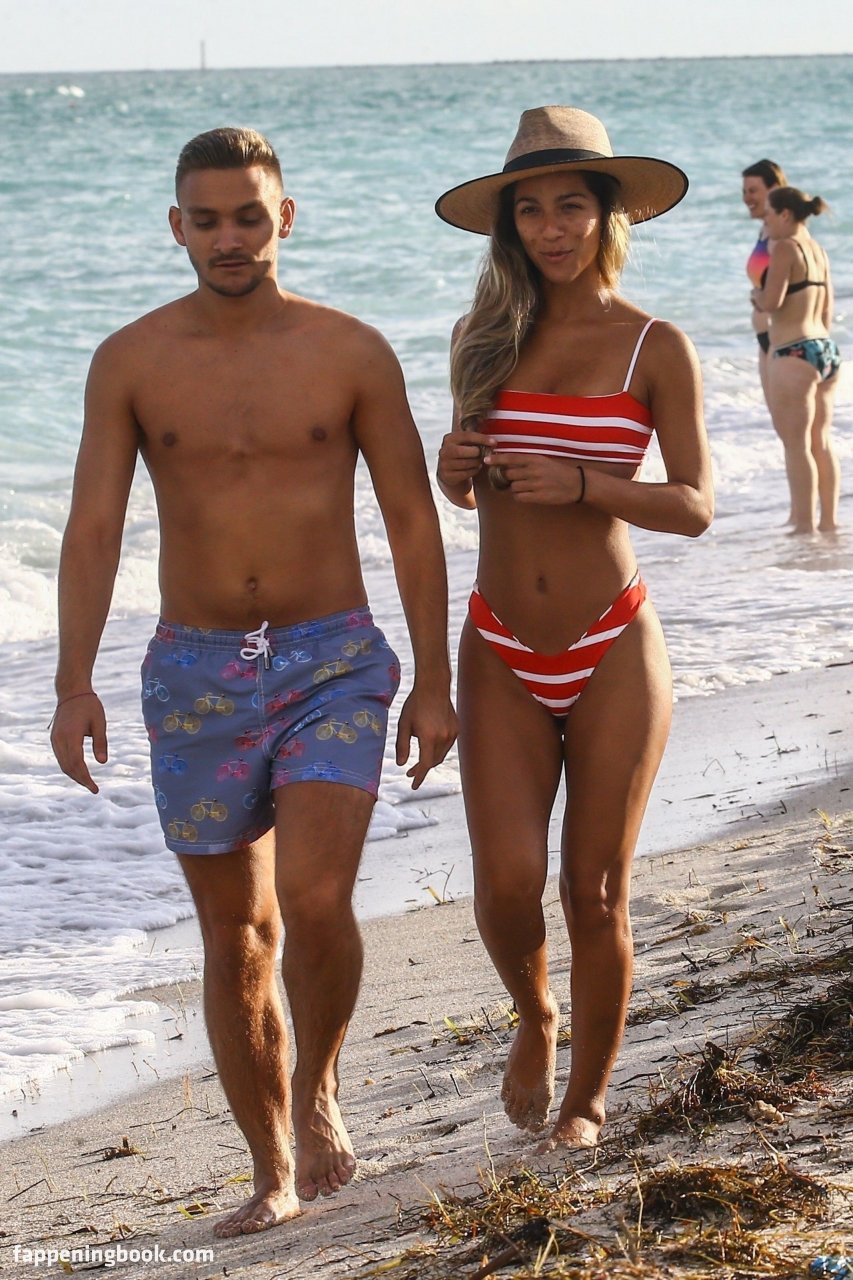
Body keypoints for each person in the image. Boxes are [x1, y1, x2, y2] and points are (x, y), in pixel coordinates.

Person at [50, 127, 457, 1236]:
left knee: (316, 899)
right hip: (196, 669)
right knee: (237, 939)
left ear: (285, 217)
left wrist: (433, 677)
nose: (228, 237)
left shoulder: (352, 351)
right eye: (206, 219)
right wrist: (73, 681)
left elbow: (410, 519)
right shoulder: (130, 361)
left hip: (331, 656)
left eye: (247, 215)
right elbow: (93, 527)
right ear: (176, 227)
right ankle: (272, 1169)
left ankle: (318, 1085)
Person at [435, 107, 713, 1149]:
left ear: (606, 215)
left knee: (591, 889)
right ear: (509, 225)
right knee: (506, 886)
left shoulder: (653, 344)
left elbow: (693, 504)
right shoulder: (480, 338)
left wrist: (588, 483)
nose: (551, 228)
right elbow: (470, 490)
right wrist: (452, 468)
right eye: (530, 211)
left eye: (570, 206)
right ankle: (535, 1012)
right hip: (499, 643)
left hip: (612, 642)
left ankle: (585, 1103)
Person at [750, 185, 841, 534]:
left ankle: (804, 527)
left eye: (770, 215)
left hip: (793, 352)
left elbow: (771, 302)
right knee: (822, 441)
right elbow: (828, 308)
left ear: (785, 214)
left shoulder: (786, 247)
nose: (767, 223)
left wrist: (756, 294)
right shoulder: (818, 250)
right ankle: (829, 522)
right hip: (824, 350)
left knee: (796, 445)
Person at [742, 159, 787, 404]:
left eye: (753, 190)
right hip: (769, 339)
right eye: (744, 191)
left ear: (774, 189)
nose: (747, 198)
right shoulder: (766, 231)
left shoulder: (783, 236)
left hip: (782, 342)